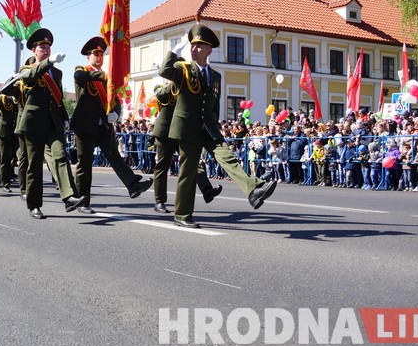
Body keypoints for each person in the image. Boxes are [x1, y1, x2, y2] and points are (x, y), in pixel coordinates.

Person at [159, 25, 276, 228]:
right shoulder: (183, 69)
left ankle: (253, 191)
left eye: (199, 46)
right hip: (187, 128)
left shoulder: (215, 76)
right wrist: (173, 53)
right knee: (189, 171)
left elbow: (214, 105)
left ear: (209, 50)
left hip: (209, 128)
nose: (194, 49)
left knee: (227, 157)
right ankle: (182, 215)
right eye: (193, 46)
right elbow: (164, 71)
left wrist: (215, 127)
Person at [71, 36, 154, 214]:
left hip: (103, 126)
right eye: (95, 54)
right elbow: (79, 77)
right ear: (88, 57)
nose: (99, 57)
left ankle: (133, 185)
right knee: (84, 165)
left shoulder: (107, 77)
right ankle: (82, 201)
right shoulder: (83, 70)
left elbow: (115, 99)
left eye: (101, 54)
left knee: (114, 156)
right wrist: (103, 76)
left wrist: (116, 113)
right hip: (85, 126)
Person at [14, 28, 87, 219]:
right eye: (41, 47)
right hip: (33, 123)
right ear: (33, 50)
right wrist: (48, 62)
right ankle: (34, 205)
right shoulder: (26, 69)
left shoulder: (58, 72)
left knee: (60, 156)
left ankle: (68, 196)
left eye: (47, 46)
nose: (45, 49)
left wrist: (64, 118)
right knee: (35, 164)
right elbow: (29, 78)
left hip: (53, 122)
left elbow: (58, 98)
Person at [152, 81, 222, 213]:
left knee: (192, 161)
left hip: (181, 131)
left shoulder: (187, 88)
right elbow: (160, 95)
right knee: (162, 165)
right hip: (165, 131)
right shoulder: (161, 86)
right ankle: (159, 201)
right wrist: (176, 81)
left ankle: (207, 190)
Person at [0, 87, 18, 192]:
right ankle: (5, 183)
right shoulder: (4, 98)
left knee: (17, 157)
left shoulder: (21, 98)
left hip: (17, 132)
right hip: (4, 132)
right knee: (5, 158)